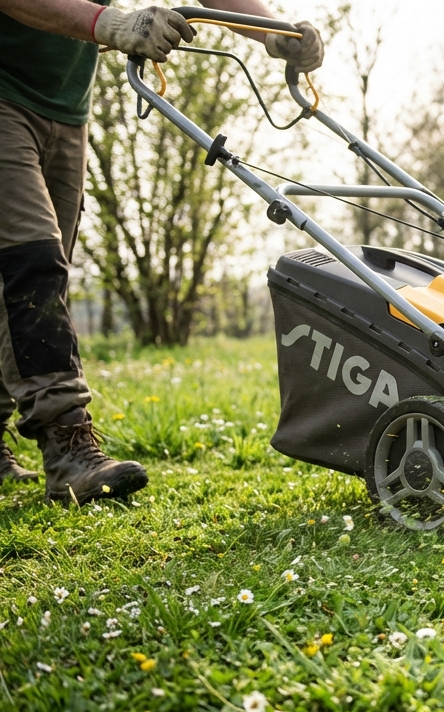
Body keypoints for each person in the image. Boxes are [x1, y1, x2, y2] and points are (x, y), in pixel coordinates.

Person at [0, 0, 323, 503]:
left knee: (23, 283)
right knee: (32, 266)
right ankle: (67, 446)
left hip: (64, 108)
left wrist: (271, 31)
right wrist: (110, 23)